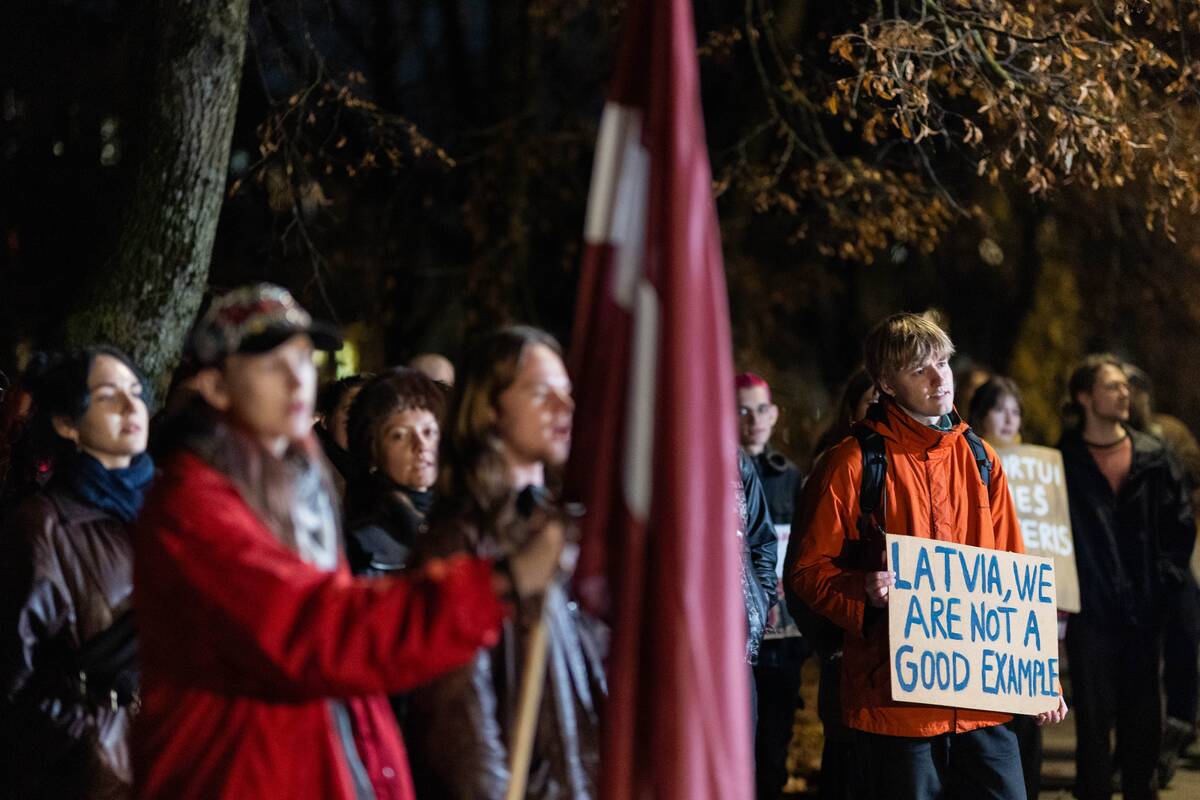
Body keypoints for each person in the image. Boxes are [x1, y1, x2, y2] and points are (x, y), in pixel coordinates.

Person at [131, 284, 563, 799]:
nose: (299, 378)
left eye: (303, 358)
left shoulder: (296, 484)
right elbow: (313, 632)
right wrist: (498, 585)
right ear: (215, 386)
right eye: (272, 364)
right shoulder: (192, 506)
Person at [791, 313, 1066, 800]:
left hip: (985, 703)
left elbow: (1013, 573)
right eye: (920, 369)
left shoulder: (982, 461)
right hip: (895, 707)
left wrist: (1039, 675)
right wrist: (862, 592)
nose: (940, 379)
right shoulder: (852, 463)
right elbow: (809, 571)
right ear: (885, 384)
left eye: (943, 362)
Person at [407, 326, 606, 800]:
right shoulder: (460, 541)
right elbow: (460, 730)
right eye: (541, 394)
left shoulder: (559, 530)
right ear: (490, 408)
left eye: (567, 393)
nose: (565, 408)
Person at [0, 346, 153, 799]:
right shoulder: (42, 527)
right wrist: (86, 739)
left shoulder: (177, 511)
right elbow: (11, 679)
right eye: (108, 396)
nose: (130, 407)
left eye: (135, 392)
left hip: (180, 761)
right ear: (68, 424)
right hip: (94, 778)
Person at [1059, 355, 1195, 800]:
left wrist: (1164, 585)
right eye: (1112, 386)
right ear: (1084, 396)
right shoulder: (1064, 461)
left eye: (1125, 387)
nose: (1124, 394)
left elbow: (1179, 527)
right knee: (1094, 731)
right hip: (1091, 615)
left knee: (1143, 730)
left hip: (1144, 613)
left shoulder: (1155, 457)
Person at [735, 371, 803, 799]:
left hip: (781, 641)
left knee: (772, 754)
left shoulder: (788, 477)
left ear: (774, 415)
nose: (753, 419)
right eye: (742, 409)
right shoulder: (718, 469)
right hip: (739, 640)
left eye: (761, 409)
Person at [343, 368, 446, 575]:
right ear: (372, 451)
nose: (421, 445)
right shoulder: (360, 545)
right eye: (399, 436)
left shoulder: (460, 518)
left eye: (429, 431)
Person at [314, 374, 369, 497]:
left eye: (368, 410)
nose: (360, 419)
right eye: (350, 410)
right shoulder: (306, 472)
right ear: (325, 420)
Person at [968, 376, 1023, 446]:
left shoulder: (1029, 455)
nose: (1009, 420)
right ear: (980, 416)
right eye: (999, 410)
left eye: (1015, 412)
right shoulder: (965, 454)